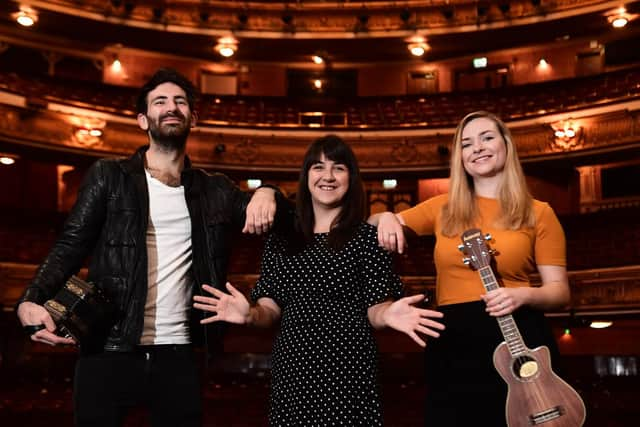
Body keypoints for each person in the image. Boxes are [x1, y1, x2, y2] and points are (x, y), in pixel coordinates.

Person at [16, 68, 284, 427]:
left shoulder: (215, 190)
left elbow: (292, 221)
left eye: (180, 101)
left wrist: (268, 190)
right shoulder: (109, 177)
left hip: (179, 356)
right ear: (144, 120)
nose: (171, 107)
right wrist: (30, 301)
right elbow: (70, 245)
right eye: (160, 102)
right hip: (107, 350)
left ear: (193, 118)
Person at [194, 135, 445, 426]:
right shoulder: (282, 239)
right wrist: (250, 314)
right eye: (318, 167)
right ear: (306, 177)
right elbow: (270, 309)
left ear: (351, 177)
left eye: (338, 168)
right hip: (294, 370)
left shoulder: (367, 237)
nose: (328, 176)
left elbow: (376, 308)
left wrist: (388, 313)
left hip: (350, 370)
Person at [370, 111, 571, 427]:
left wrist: (523, 297)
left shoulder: (539, 212)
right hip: (455, 337)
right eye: (466, 144)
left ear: (506, 145)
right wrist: (384, 217)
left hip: (520, 332)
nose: (477, 148)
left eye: (487, 138)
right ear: (460, 157)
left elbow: (559, 292)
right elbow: (371, 231)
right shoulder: (442, 207)